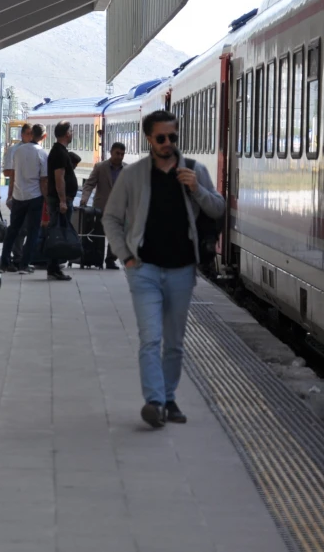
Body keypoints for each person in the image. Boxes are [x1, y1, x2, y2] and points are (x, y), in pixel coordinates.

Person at [103, 110, 225, 428]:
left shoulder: (194, 171)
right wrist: (126, 257)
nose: (168, 143)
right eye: (161, 138)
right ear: (149, 139)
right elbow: (111, 218)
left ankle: (169, 398)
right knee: (150, 338)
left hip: (182, 271)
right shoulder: (133, 175)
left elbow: (218, 208)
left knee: (174, 342)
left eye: (172, 137)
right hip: (144, 269)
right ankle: (154, 402)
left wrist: (197, 189)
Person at [0, 124, 48, 274]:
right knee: (33, 232)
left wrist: (10, 195)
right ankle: (24, 265)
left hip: (18, 196)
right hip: (34, 197)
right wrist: (46, 200)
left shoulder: (18, 151)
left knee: (13, 230)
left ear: (31, 134)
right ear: (44, 137)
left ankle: (4, 262)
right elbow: (43, 179)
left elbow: (12, 174)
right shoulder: (42, 153)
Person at [80, 141, 127, 268]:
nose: (120, 156)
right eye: (117, 153)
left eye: (122, 154)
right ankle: (97, 258)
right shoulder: (100, 167)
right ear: (111, 152)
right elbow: (90, 184)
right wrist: (84, 198)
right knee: (100, 233)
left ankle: (111, 259)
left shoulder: (127, 169)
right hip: (101, 206)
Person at [45, 121, 77, 282]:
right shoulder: (59, 152)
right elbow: (59, 178)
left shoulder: (60, 151)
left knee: (59, 233)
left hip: (60, 200)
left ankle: (54, 267)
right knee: (58, 234)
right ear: (66, 133)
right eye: (71, 130)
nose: (72, 133)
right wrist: (63, 201)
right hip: (60, 202)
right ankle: (53, 267)